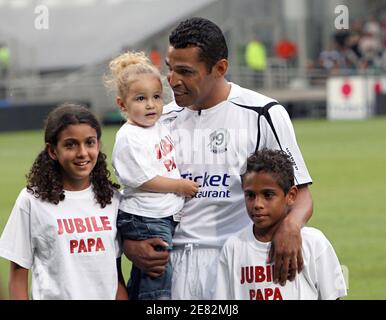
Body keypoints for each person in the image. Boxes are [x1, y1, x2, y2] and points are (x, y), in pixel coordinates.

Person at [123, 17, 313, 300]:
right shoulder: (158, 121)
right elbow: (134, 193)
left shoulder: (263, 113)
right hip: (168, 267)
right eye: (170, 69)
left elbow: (301, 193)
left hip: (236, 261)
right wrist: (130, 245)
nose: (173, 80)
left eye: (185, 71)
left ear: (220, 68)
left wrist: (291, 225)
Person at [0, 103, 128, 300]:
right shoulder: (31, 201)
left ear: (98, 145)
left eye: (90, 142)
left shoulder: (113, 199)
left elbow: (116, 275)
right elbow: (17, 278)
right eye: (70, 144)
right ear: (52, 151)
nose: (82, 153)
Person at [106, 51, 199, 300]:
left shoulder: (158, 126)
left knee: (145, 279)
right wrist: (179, 186)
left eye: (156, 97)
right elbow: (144, 179)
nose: (150, 105)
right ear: (122, 105)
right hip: (145, 217)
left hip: (159, 215)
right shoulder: (129, 137)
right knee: (158, 281)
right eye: (140, 99)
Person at [214, 149, 347, 300]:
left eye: (268, 195)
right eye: (250, 195)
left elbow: (332, 296)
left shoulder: (314, 243)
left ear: (291, 196)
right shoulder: (233, 247)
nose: (257, 204)